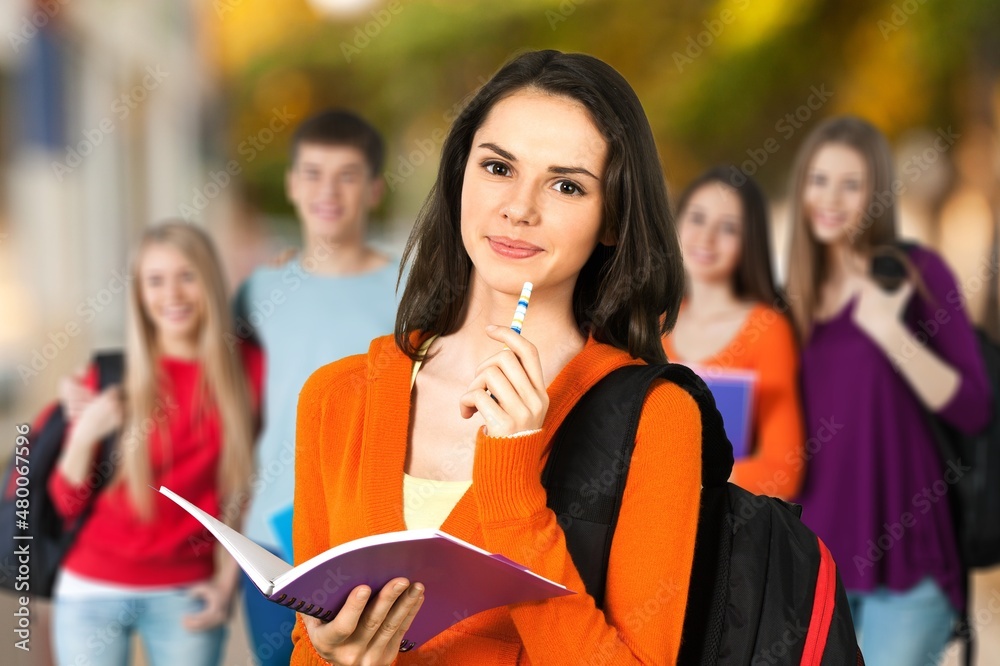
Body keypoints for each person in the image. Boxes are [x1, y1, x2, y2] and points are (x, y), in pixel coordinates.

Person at [291, 49, 702, 665]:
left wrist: (513, 490)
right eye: (497, 167)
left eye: (566, 185)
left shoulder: (657, 420)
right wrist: (329, 656)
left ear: (612, 218)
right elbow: (306, 644)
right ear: (461, 177)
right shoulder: (335, 396)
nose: (520, 207)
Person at [785, 116, 992, 665]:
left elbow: (974, 407)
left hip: (911, 562)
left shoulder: (917, 276)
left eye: (851, 185)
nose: (831, 198)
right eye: (819, 180)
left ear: (876, 195)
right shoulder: (789, 305)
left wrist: (891, 334)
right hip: (814, 567)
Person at [228, 109, 401, 664]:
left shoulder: (410, 290)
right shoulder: (258, 291)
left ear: (373, 189)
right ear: (291, 184)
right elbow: (232, 408)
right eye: (313, 172)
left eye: (347, 175)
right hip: (270, 538)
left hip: (367, 533)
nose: (327, 190)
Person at [48, 222, 262, 666]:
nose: (173, 295)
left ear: (209, 281)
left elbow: (253, 485)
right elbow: (63, 504)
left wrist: (228, 585)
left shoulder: (249, 369)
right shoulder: (112, 376)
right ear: (139, 295)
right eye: (155, 281)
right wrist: (86, 433)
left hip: (185, 594)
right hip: (91, 591)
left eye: (187, 276)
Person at [662, 167, 805, 499]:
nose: (706, 237)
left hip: (722, 526)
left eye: (727, 227)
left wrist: (683, 477)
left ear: (749, 241)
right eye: (697, 218)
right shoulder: (653, 323)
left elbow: (782, 472)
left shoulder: (768, 331)